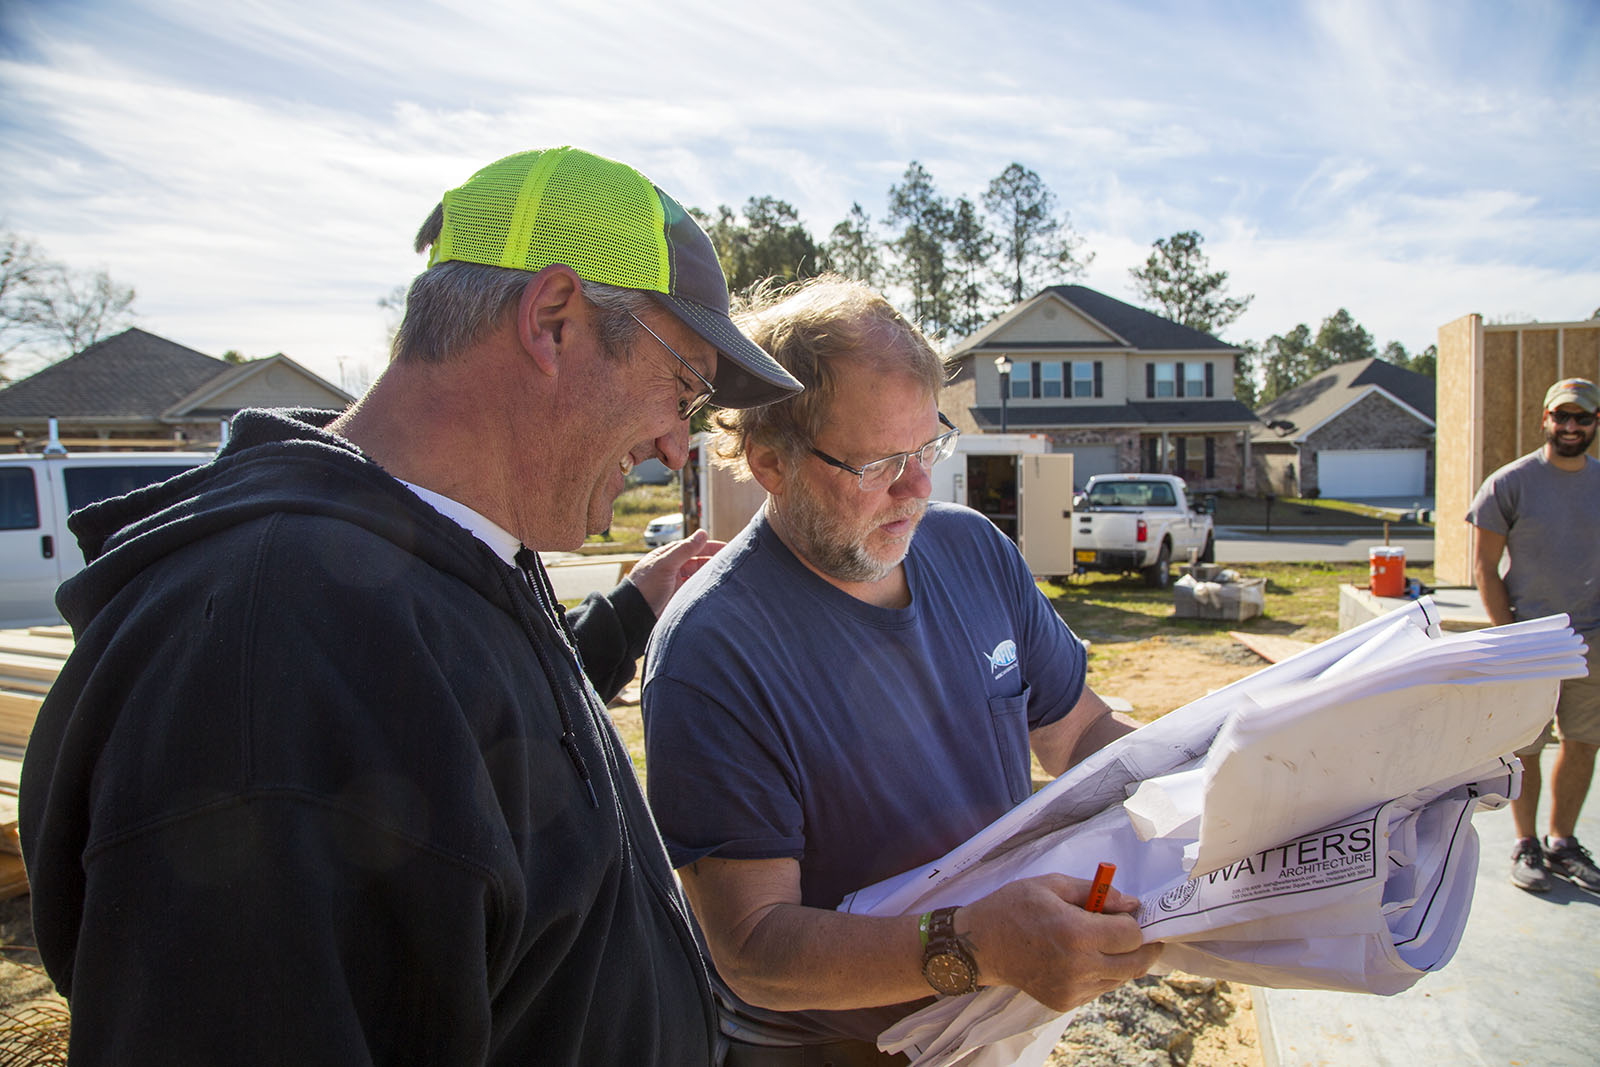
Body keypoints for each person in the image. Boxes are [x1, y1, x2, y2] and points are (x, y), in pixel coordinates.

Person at [20, 146, 801, 1064]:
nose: (679, 448)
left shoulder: (444, 560)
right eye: (685, 388)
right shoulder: (281, 642)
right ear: (553, 319)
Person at [642, 276, 1161, 1064]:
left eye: (927, 447)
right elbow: (753, 948)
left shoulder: (975, 552)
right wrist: (976, 944)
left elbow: (1082, 730)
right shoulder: (714, 650)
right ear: (770, 461)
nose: (918, 488)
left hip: (991, 1025)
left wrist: (1200, 786)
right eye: (881, 461)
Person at [1467, 376, 1600, 895]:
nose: (1570, 427)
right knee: (1527, 747)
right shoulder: (1511, 483)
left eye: (1581, 418)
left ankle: (1563, 842)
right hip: (1533, 639)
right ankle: (1527, 846)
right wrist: (1512, 638)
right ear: (1545, 420)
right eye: (1561, 417)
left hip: (1593, 639)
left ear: (1594, 424)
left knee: (1584, 742)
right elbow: (1484, 566)